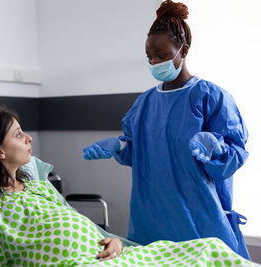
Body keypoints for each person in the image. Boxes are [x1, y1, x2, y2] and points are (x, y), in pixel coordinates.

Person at [0, 108, 257, 267]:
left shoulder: (37, 186)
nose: (29, 139)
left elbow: (72, 223)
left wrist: (112, 242)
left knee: (209, 250)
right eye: (19, 135)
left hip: (109, 256)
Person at [83, 0, 250, 260]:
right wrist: (121, 147)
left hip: (200, 221)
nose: (154, 61)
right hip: (149, 219)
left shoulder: (211, 97)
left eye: (161, 55)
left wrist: (215, 147)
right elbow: (138, 152)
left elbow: (233, 155)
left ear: (182, 50)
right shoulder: (144, 103)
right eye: (149, 56)